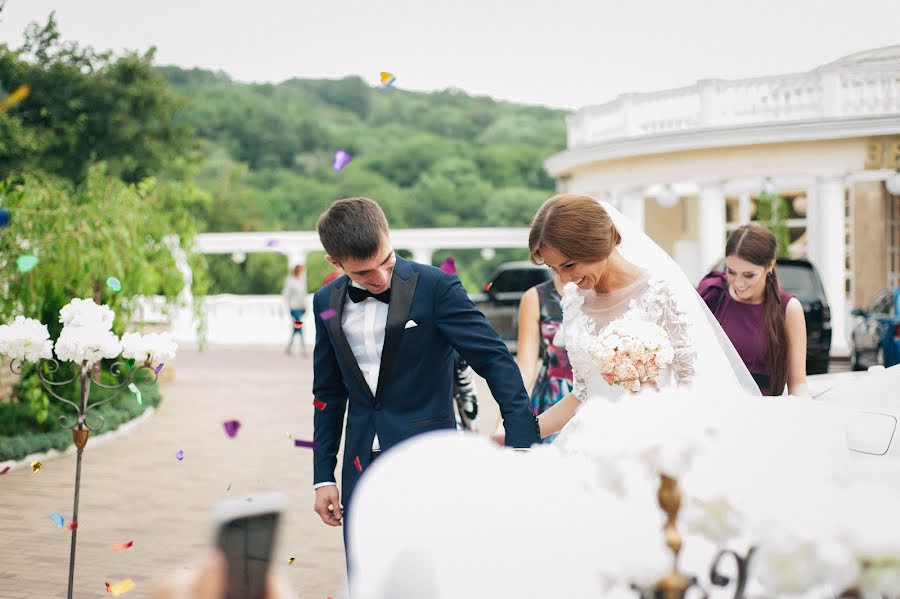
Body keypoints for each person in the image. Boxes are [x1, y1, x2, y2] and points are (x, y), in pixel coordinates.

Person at [310, 197, 540, 572]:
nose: (381, 278)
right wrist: (323, 477)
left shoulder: (437, 287)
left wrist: (521, 438)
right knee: (368, 572)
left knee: (432, 570)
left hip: (429, 456)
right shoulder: (326, 302)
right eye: (365, 273)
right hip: (359, 462)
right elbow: (328, 394)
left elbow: (494, 359)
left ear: (388, 236)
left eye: (386, 260)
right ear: (334, 263)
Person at [492, 194, 759, 445]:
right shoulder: (574, 300)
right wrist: (522, 432)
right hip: (585, 442)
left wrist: (654, 405)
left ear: (599, 243)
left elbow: (693, 388)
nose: (563, 279)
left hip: (651, 443)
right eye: (554, 268)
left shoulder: (660, 294)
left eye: (569, 265)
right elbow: (583, 395)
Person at [697, 224, 808, 396]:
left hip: (763, 413)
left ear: (770, 266)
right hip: (716, 407)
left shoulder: (788, 309)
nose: (739, 283)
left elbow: (798, 384)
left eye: (749, 275)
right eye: (731, 272)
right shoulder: (713, 294)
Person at [494, 275, 573, 443]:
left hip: (598, 397)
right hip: (552, 398)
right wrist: (505, 419)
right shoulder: (536, 297)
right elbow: (525, 368)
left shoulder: (604, 291)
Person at [282, 263, 309, 357]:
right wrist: (288, 305)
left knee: (296, 326)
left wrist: (305, 306)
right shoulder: (290, 281)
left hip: (300, 307)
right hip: (294, 307)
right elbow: (286, 294)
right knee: (299, 326)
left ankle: (289, 346)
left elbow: (303, 295)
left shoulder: (302, 281)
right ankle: (303, 348)